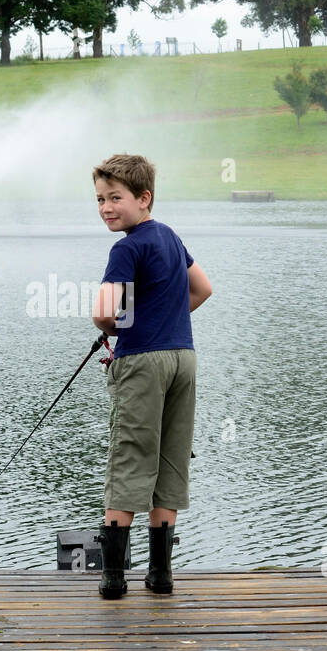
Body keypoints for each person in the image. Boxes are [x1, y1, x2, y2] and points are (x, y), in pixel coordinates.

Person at [91, 154, 213, 600]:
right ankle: (160, 576)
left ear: (144, 199)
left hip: (143, 363)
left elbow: (106, 312)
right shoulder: (171, 237)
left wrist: (114, 328)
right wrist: (164, 318)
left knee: (130, 458)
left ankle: (113, 579)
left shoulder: (126, 247)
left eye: (115, 198)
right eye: (101, 199)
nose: (106, 207)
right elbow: (202, 289)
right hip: (184, 358)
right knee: (169, 459)